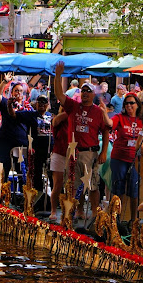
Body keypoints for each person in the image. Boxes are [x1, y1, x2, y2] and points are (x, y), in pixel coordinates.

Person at [54, 61, 110, 220]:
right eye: (83, 91)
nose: (85, 93)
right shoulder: (73, 106)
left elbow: (106, 130)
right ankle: (74, 212)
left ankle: (94, 214)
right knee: (71, 183)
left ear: (93, 95)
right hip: (73, 151)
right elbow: (59, 94)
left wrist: (104, 151)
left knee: (92, 185)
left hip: (90, 153)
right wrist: (58, 75)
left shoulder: (98, 112)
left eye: (88, 91)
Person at [107, 92, 142, 221]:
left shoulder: (142, 119)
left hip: (136, 159)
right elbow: (110, 124)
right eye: (126, 103)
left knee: (134, 190)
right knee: (118, 189)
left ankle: (133, 221)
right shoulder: (119, 117)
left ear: (137, 105)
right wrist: (103, 113)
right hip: (119, 157)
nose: (129, 105)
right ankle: (116, 220)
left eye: (132, 103)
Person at [11, 95, 53, 199]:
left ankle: (55, 199)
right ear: (36, 104)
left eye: (44, 102)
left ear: (48, 105)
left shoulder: (51, 116)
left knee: (52, 174)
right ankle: (37, 197)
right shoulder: (30, 115)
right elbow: (14, 115)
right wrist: (9, 105)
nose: (42, 105)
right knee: (36, 175)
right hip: (36, 150)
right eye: (40, 102)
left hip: (50, 150)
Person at [0, 73, 31, 179]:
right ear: (12, 92)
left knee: (22, 170)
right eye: (16, 90)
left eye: (20, 91)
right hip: (6, 140)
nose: (18, 93)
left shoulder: (27, 108)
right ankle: (3, 192)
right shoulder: (6, 103)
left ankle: (22, 193)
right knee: (4, 168)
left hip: (21, 142)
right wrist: (4, 81)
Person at [48, 108, 69, 221]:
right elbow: (55, 122)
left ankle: (73, 211)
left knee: (73, 185)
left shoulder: (76, 119)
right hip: (59, 153)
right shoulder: (59, 119)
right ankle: (53, 211)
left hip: (72, 155)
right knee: (57, 184)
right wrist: (70, 110)